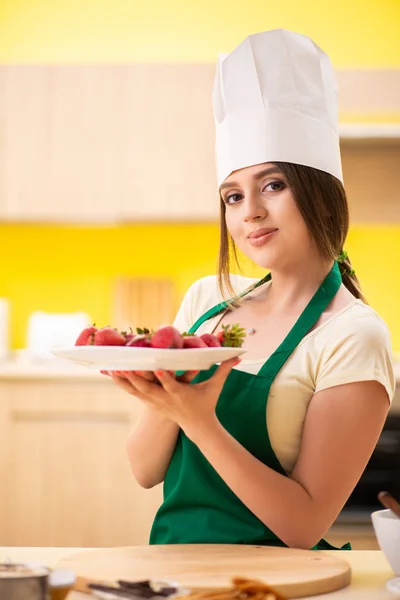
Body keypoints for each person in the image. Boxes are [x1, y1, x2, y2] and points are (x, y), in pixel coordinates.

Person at [108, 29, 395, 549]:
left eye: (273, 185)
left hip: (269, 582)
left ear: (318, 190)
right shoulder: (206, 304)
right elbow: (143, 469)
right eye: (232, 196)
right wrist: (162, 399)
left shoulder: (353, 335)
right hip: (171, 570)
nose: (250, 213)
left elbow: (304, 527)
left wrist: (198, 420)